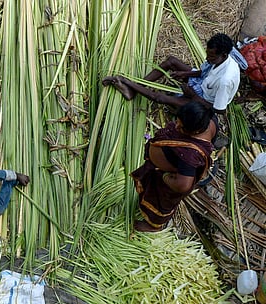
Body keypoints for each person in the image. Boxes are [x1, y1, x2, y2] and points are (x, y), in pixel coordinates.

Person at [103, 33, 243, 114]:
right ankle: (134, 89)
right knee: (171, 61)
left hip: (205, 102)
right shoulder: (220, 60)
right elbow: (204, 73)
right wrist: (186, 74)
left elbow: (219, 111)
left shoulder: (225, 80)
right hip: (202, 84)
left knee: (159, 98)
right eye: (207, 54)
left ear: (223, 55)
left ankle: (127, 82)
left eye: (211, 57)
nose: (207, 58)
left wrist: (192, 96)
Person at [131, 102, 216, 232]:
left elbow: (183, 185)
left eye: (182, 128)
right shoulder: (205, 119)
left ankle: (153, 225)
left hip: (166, 182)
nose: (176, 127)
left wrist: (165, 177)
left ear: (196, 131)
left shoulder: (190, 155)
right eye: (177, 122)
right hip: (166, 168)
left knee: (159, 203)